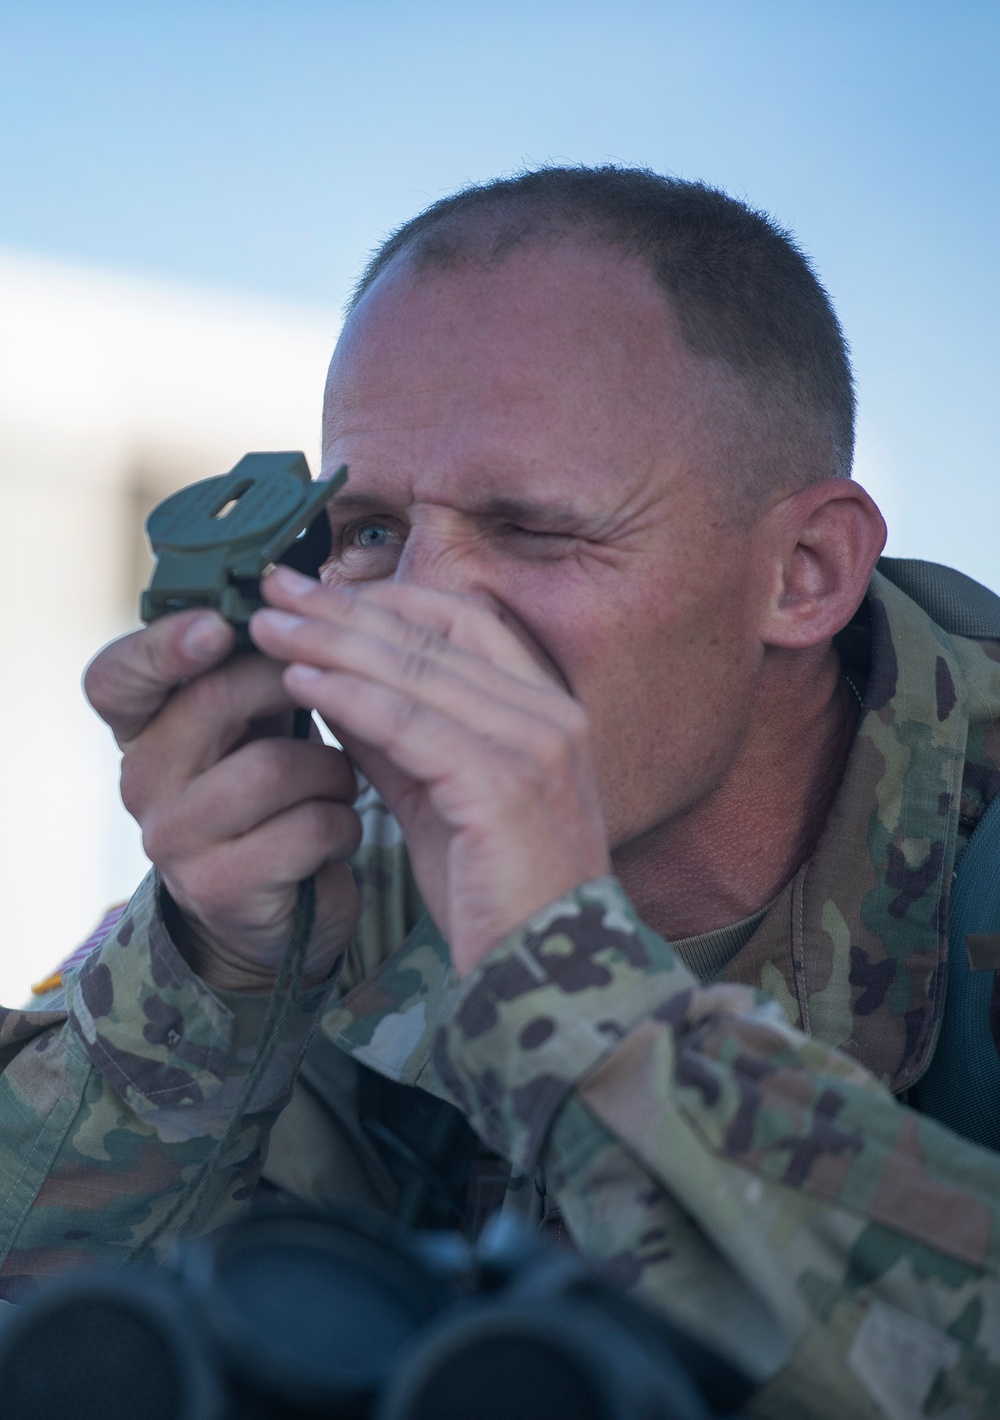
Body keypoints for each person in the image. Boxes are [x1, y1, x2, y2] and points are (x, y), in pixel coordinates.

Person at [2, 166, 1000, 1416]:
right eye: (367, 530)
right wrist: (209, 972)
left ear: (802, 573)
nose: (423, 604)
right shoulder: (346, 875)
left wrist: (564, 985)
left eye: (533, 530)